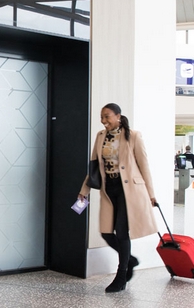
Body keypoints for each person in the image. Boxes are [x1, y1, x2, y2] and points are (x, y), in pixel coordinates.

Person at [78, 103, 157, 293]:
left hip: (129, 190)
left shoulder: (134, 136)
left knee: (121, 232)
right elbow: (94, 167)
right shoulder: (100, 136)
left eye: (107, 116)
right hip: (108, 189)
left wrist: (151, 194)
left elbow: (144, 165)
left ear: (118, 116)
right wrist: (84, 191)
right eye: (101, 117)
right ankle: (131, 260)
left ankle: (121, 276)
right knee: (106, 232)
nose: (103, 120)